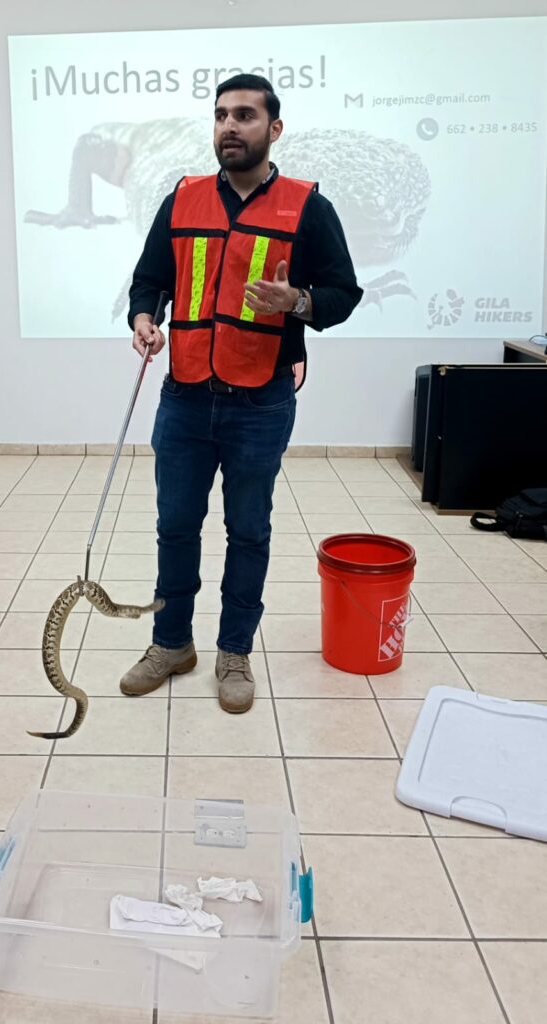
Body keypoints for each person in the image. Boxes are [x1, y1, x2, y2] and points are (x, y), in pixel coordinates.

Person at [120, 73, 363, 713]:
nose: (230, 126)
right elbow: (149, 279)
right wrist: (144, 317)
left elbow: (344, 295)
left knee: (248, 530)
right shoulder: (183, 198)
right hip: (185, 396)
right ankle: (171, 643)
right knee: (175, 526)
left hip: (260, 401)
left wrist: (300, 301)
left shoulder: (309, 207)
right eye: (222, 115)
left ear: (273, 129)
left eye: (246, 116)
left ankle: (234, 654)